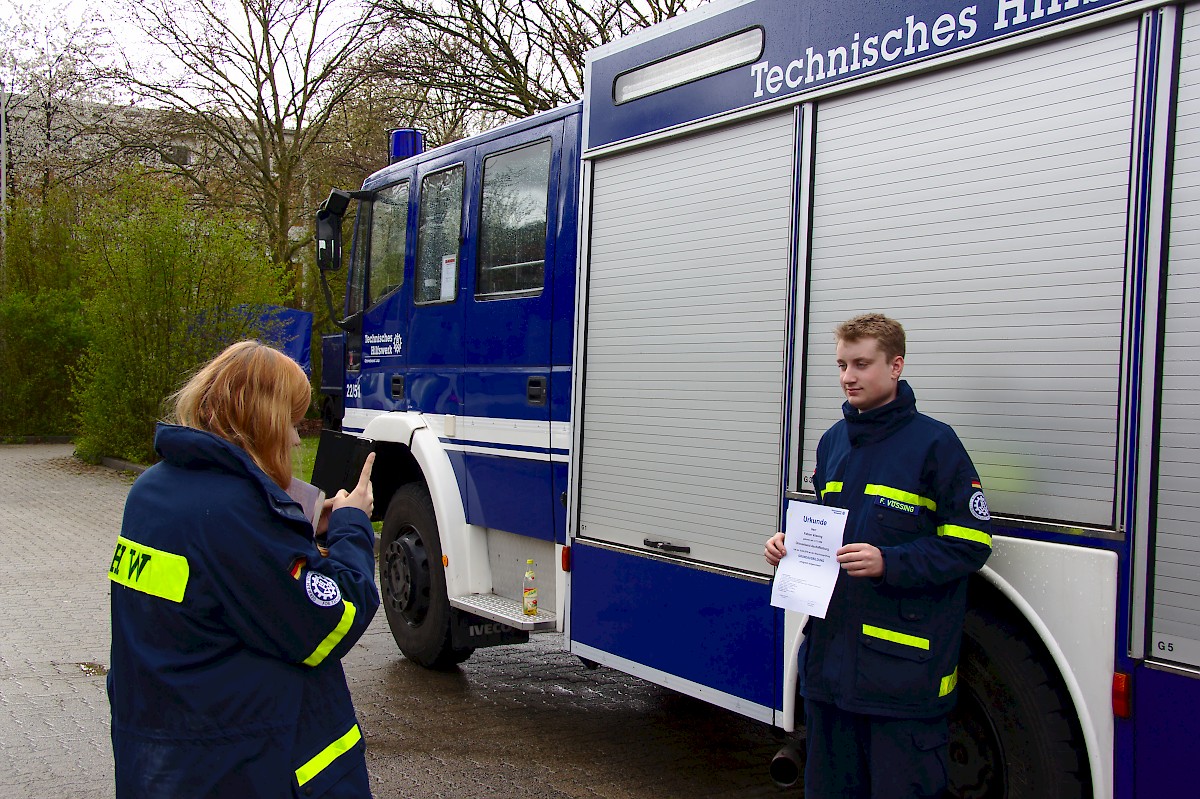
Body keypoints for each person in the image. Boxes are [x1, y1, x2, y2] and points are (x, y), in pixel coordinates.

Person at [107, 341, 380, 798]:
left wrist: (307, 521)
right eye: (293, 425)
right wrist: (353, 525)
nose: (297, 440)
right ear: (264, 421)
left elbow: (219, 582)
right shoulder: (235, 512)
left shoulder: (151, 490)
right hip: (238, 765)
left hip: (165, 757)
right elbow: (332, 622)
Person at [764, 314, 992, 799]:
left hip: (902, 684)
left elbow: (971, 544)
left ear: (895, 366)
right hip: (830, 679)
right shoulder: (833, 443)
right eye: (842, 364)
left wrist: (891, 562)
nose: (848, 376)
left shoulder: (936, 444)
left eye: (862, 364)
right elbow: (829, 535)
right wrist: (789, 549)